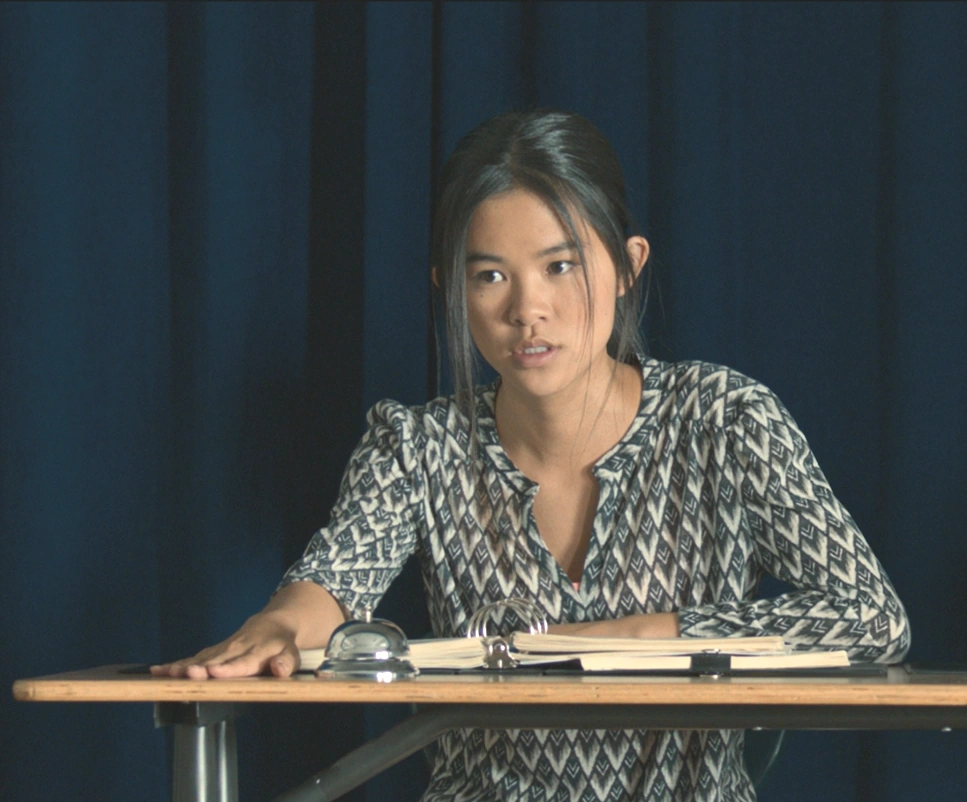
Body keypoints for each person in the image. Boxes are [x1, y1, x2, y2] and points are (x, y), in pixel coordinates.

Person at [153, 109, 910, 801]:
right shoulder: (418, 447)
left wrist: (638, 635)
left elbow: (871, 619)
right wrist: (280, 627)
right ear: (449, 289)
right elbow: (333, 584)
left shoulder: (722, 419)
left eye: (560, 266)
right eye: (490, 276)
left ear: (627, 266)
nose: (527, 310)